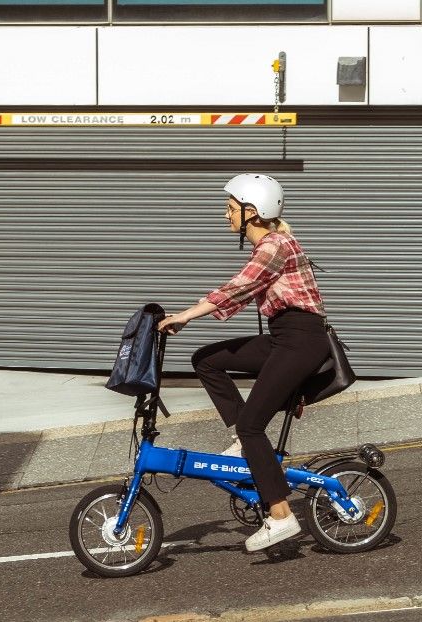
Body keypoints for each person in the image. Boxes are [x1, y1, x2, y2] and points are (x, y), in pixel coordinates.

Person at [156, 173, 330, 551]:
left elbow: (237, 287)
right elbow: (241, 294)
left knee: (254, 426)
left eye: (230, 208)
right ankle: (242, 441)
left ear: (252, 212)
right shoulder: (268, 245)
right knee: (206, 360)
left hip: (301, 341)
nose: (225, 215)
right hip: (285, 338)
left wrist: (185, 315)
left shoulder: (274, 246)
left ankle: (281, 516)